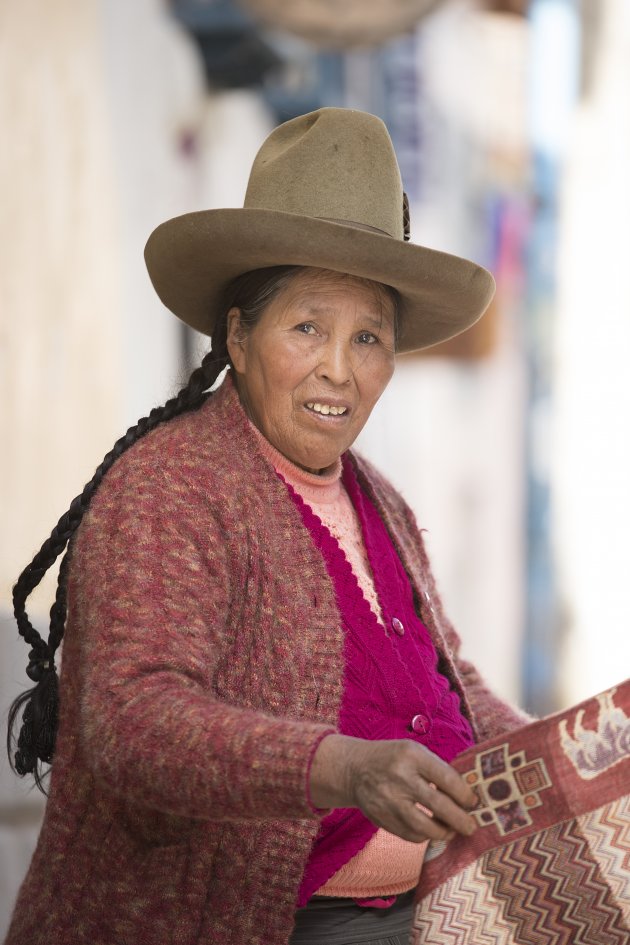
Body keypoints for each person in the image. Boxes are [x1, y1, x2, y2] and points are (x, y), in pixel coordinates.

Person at [6, 107, 529, 945]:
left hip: (413, 912)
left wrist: (554, 757)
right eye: (307, 327)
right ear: (239, 337)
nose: (338, 368)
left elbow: (448, 675)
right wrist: (341, 766)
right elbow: (133, 719)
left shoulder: (378, 497)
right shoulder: (171, 487)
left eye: (369, 337)